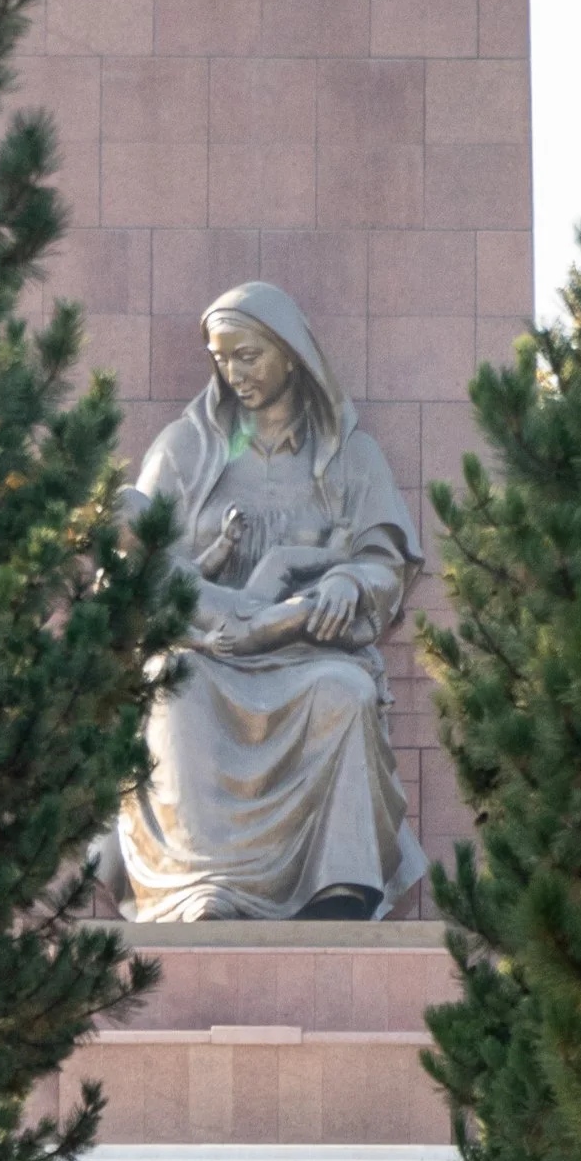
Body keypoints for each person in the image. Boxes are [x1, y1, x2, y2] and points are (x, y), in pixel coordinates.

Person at [106, 281, 426, 921]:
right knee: (175, 685)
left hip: (312, 653)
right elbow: (132, 558)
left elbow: (384, 559)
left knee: (345, 693)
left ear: (291, 353)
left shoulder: (347, 456)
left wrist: (349, 582)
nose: (234, 372)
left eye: (248, 355)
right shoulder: (185, 449)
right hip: (207, 647)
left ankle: (339, 885)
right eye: (222, 358)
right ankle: (199, 887)